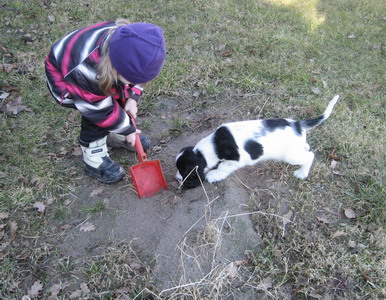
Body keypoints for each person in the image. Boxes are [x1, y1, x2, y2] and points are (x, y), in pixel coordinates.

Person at [45, 19, 166, 184]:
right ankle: (93, 156)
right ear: (116, 67)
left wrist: (132, 97)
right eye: (130, 81)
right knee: (98, 116)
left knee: (118, 97)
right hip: (66, 79)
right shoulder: (87, 70)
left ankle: (116, 132)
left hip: (102, 71)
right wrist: (129, 129)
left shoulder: (131, 46)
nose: (132, 85)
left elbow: (134, 79)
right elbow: (98, 110)